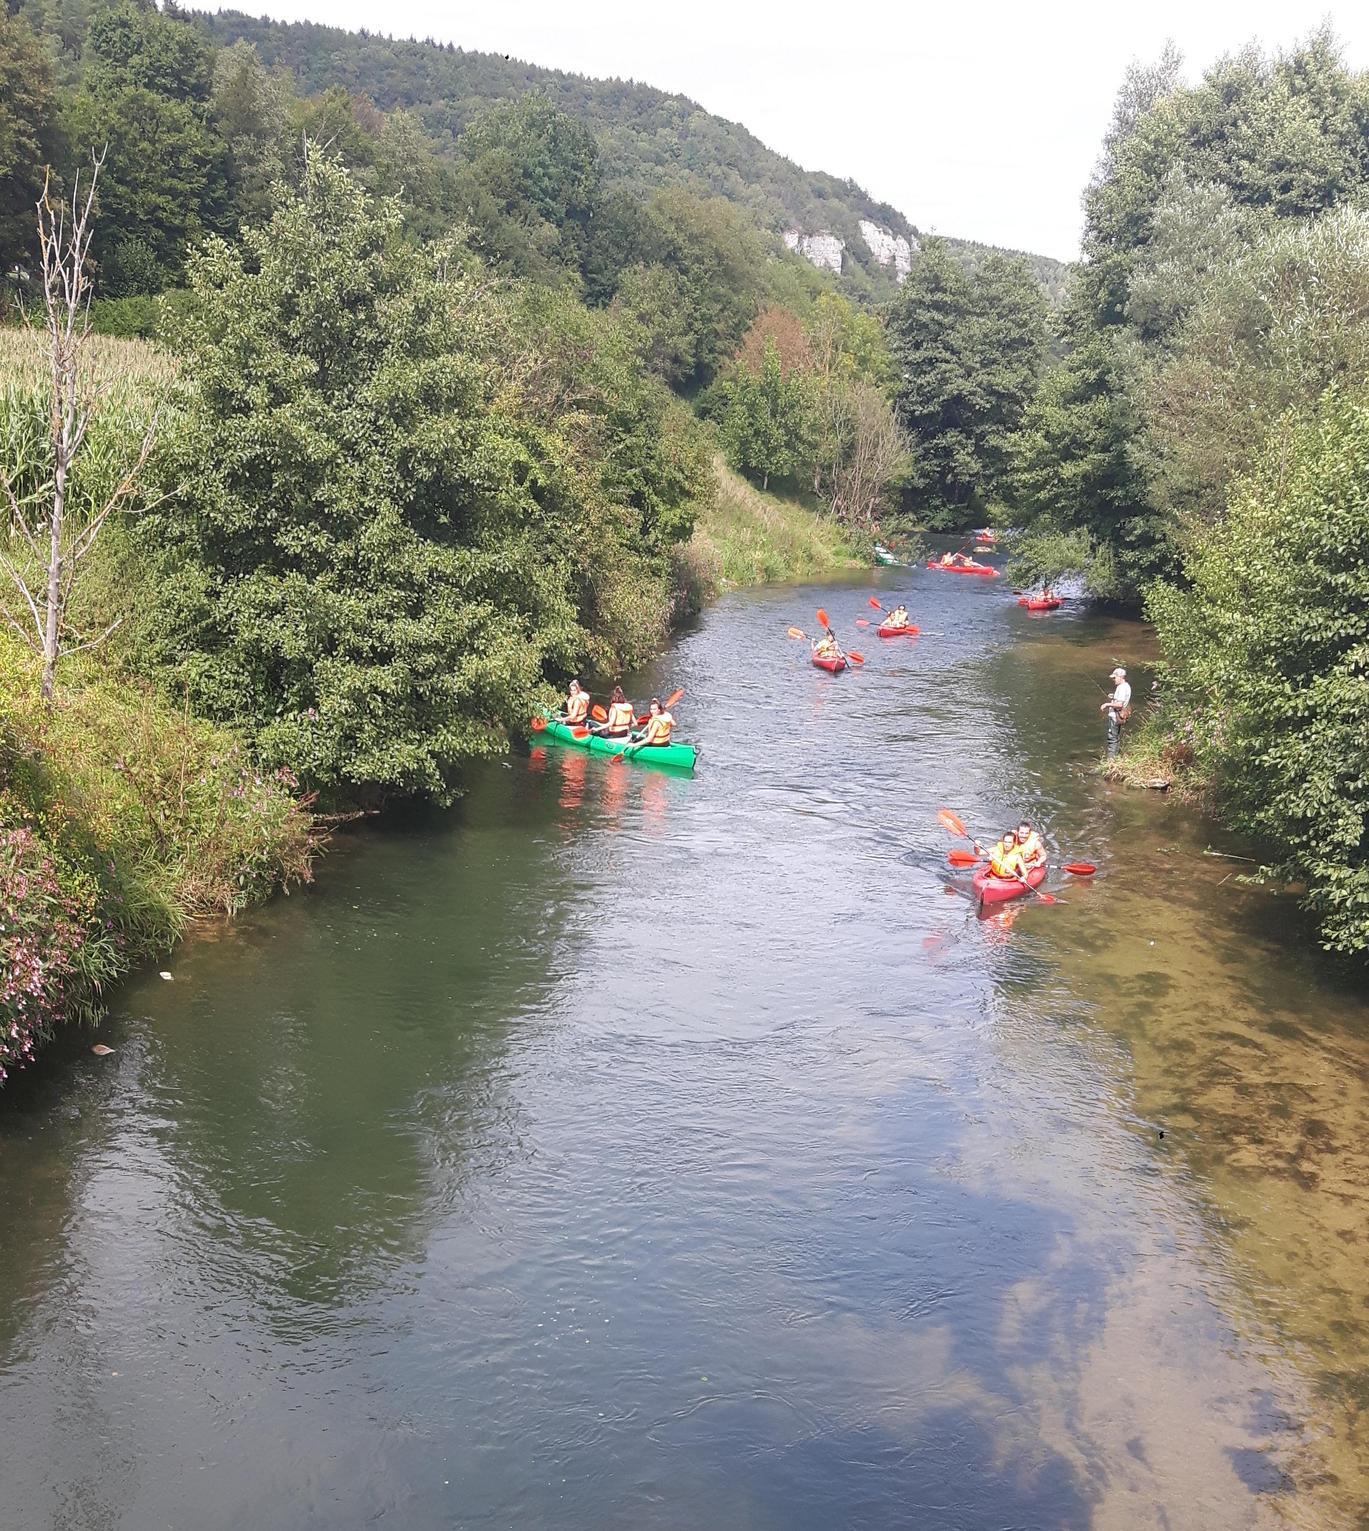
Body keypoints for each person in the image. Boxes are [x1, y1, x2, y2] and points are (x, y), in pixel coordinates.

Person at [1101, 665, 1132, 759]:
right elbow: (1121, 701)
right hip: (1118, 716)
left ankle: (1111, 761)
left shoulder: (1122, 688)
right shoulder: (1125, 686)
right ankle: (1115, 758)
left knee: (1112, 739)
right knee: (1116, 738)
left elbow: (1120, 705)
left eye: (1115, 677)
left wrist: (1107, 704)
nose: (1113, 679)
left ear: (1120, 677)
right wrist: (1113, 697)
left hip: (1115, 717)